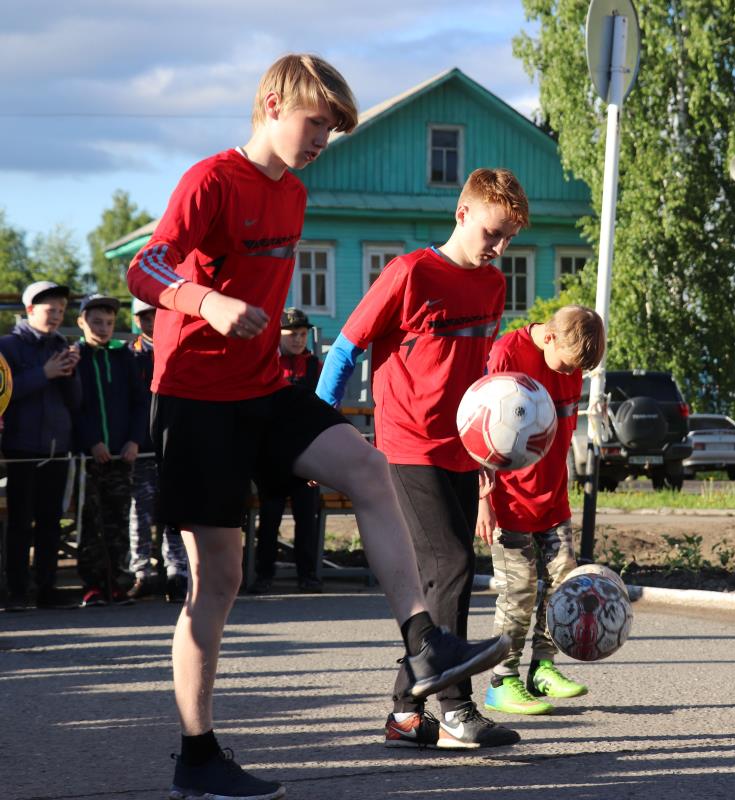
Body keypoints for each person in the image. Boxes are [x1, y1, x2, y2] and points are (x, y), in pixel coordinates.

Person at [126, 54, 509, 800]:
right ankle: (198, 756)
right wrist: (207, 304)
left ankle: (425, 646)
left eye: (331, 133)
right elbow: (146, 267)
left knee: (368, 471)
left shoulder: (296, 195)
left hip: (265, 388)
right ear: (272, 103)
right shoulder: (210, 181)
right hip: (197, 397)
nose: (320, 142)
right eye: (315, 125)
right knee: (219, 580)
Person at [317, 167, 529, 749]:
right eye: (492, 234)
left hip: (463, 447)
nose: (500, 248)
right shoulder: (409, 272)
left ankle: (406, 714)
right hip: (408, 444)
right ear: (461, 215)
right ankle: (455, 709)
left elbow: (484, 376)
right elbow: (346, 347)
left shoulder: (492, 284)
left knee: (446, 575)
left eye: (509, 238)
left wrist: (493, 452)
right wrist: (311, 427)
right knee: (451, 563)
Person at [477, 305, 606, 716]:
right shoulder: (506, 355)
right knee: (518, 591)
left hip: (553, 500)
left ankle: (543, 668)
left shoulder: (571, 364)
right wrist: (482, 499)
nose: (572, 375)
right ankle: (503, 680)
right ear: (549, 337)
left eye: (580, 371)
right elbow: (479, 427)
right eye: (569, 365)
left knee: (564, 583)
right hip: (508, 499)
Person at [0, 281, 80, 611]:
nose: (58, 316)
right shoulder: (7, 346)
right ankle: (17, 591)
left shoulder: (62, 344)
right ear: (30, 310)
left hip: (57, 448)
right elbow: (5, 394)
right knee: (20, 522)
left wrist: (72, 374)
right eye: (51, 310)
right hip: (21, 449)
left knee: (51, 520)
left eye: (62, 310)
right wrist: (44, 373)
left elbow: (76, 402)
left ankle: (47, 589)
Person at [74, 294, 147, 607]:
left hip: (121, 455)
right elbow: (75, 406)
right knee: (90, 519)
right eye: (96, 322)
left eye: (108, 322)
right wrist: (92, 441)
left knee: (118, 519)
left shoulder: (123, 357)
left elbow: (139, 403)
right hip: (91, 456)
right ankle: (92, 584)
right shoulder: (76, 357)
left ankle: (116, 581)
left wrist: (134, 440)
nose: (103, 328)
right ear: (81, 322)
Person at [249, 307, 324, 594]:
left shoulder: (315, 366)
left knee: (307, 515)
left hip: (308, 454)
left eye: (303, 334)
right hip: (272, 456)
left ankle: (308, 574)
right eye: (292, 334)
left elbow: (324, 410)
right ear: (277, 335)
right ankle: (264, 574)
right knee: (270, 515)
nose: (298, 339)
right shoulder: (267, 363)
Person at [128, 296, 188, 603]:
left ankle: (177, 571)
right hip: (142, 448)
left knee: (174, 511)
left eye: (158, 316)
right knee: (141, 511)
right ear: (138, 321)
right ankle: (142, 572)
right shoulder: (131, 355)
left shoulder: (179, 352)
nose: (154, 323)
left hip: (175, 446)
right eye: (147, 318)